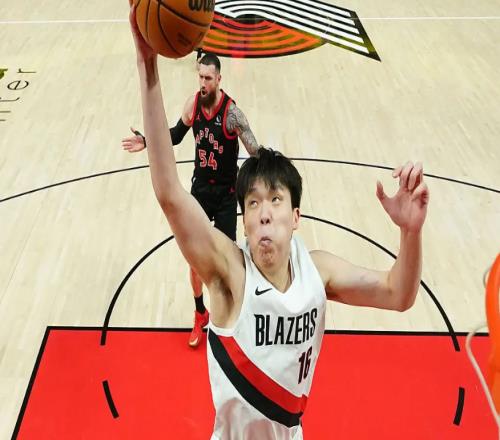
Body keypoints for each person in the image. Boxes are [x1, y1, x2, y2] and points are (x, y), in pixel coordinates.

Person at [128, 4, 429, 438]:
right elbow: (170, 193)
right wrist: (147, 64)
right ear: (244, 220)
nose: (264, 211)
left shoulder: (318, 272)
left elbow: (398, 293)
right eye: (252, 203)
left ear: (296, 216)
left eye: (275, 199)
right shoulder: (230, 273)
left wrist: (410, 232)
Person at [122, 48, 259, 348]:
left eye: (208, 78)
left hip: (226, 194)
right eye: (200, 77)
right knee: (195, 260)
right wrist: (147, 140)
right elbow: (174, 135)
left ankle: (233, 316)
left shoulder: (232, 114)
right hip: (200, 192)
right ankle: (200, 313)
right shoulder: (193, 105)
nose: (203, 83)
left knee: (227, 260)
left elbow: (255, 151)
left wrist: (271, 172)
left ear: (219, 79)